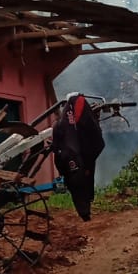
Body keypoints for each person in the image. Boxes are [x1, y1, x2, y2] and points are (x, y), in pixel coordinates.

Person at [51, 93, 105, 221]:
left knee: (76, 184)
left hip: (68, 160)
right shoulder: (82, 116)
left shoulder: (60, 125)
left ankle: (84, 212)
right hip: (78, 161)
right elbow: (96, 140)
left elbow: (57, 148)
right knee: (80, 182)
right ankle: (85, 213)